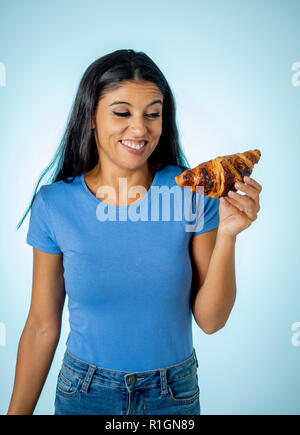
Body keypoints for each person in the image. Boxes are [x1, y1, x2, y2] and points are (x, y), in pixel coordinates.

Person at [7, 49, 262, 415]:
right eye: (122, 113)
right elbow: (41, 327)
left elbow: (211, 320)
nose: (140, 129)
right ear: (91, 117)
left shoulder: (193, 196)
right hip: (84, 392)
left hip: (172, 395)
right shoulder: (54, 205)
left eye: (153, 114)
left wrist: (228, 235)